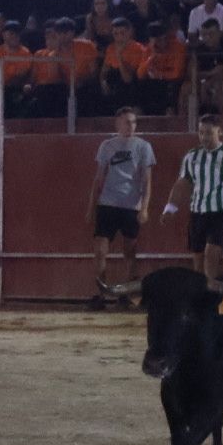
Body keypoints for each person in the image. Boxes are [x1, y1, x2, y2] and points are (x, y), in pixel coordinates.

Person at [161, 114, 223, 282]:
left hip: (221, 214)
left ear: (219, 132)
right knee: (197, 261)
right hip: (197, 213)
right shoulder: (192, 156)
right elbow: (181, 184)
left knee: (211, 255)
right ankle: (204, 297)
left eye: (209, 133)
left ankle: (212, 298)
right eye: (201, 132)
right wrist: (170, 208)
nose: (204, 137)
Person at [86, 107, 156, 309]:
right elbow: (98, 179)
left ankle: (128, 294)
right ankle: (100, 293)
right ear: (117, 124)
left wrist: (144, 208)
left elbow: (147, 181)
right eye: (127, 122)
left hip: (130, 205)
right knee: (100, 250)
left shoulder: (143, 147)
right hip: (108, 204)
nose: (131, 126)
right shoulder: (107, 146)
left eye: (133, 122)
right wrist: (92, 207)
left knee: (130, 251)